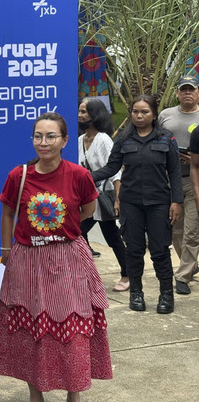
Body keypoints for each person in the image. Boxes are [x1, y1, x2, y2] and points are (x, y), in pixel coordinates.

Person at [0, 112, 112, 402]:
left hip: (68, 258)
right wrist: (6, 250)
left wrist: (62, 233)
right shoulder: (18, 176)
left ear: (65, 140)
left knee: (73, 327)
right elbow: (7, 213)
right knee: (32, 328)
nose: (43, 143)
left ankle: (74, 392)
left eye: (51, 136)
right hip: (28, 260)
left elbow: (88, 210)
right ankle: (36, 393)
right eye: (38, 136)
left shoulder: (78, 175)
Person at [92, 95, 183, 314]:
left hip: (159, 203)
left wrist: (177, 201)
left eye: (144, 112)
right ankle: (136, 293)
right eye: (135, 111)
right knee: (134, 250)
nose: (139, 116)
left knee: (160, 250)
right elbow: (111, 168)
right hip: (131, 203)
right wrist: (82, 176)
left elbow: (175, 171)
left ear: (154, 114)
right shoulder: (124, 139)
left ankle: (165, 296)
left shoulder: (166, 139)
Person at [78, 97, 129, 291]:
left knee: (112, 238)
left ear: (95, 114)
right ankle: (83, 275)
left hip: (103, 197)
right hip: (87, 199)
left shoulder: (103, 139)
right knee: (78, 232)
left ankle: (127, 275)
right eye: (80, 111)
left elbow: (115, 170)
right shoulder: (80, 140)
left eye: (84, 111)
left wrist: (118, 198)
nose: (80, 115)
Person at [159, 76, 199, 295]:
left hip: (195, 179)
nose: (187, 94)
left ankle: (182, 275)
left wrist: (194, 158)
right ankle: (189, 263)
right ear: (177, 93)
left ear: (198, 92)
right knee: (176, 229)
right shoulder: (166, 115)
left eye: (191, 90)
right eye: (183, 90)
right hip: (169, 180)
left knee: (192, 230)